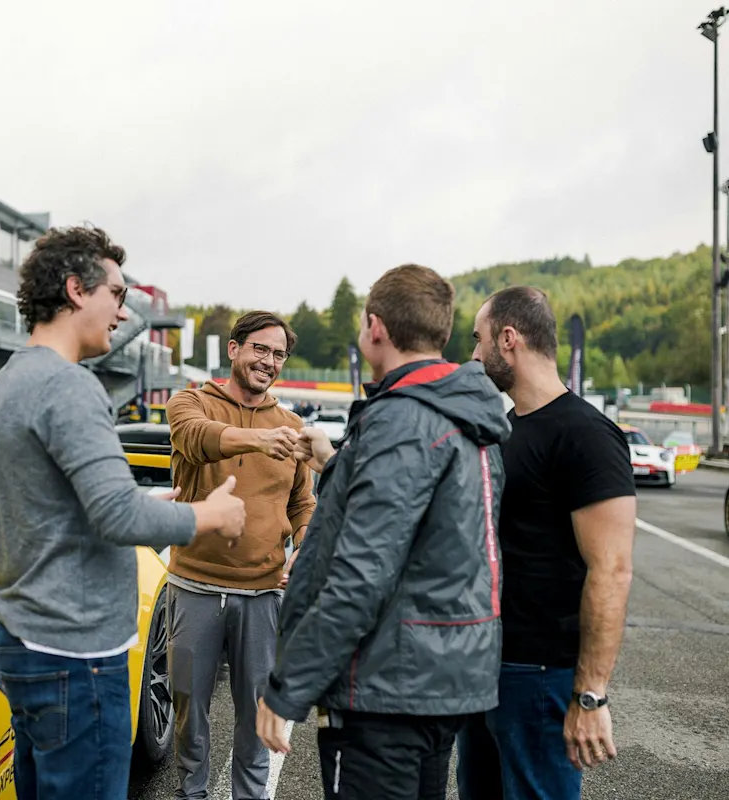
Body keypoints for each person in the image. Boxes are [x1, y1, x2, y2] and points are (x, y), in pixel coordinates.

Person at [0, 225, 246, 800]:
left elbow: (49, 504)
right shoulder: (69, 387)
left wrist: (145, 503)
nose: (122, 313)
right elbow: (117, 519)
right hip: (74, 653)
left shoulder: (8, 381)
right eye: (117, 295)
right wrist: (210, 516)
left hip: (21, 638)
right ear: (76, 290)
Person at [255, 263, 511, 800]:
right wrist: (343, 461)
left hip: (388, 688)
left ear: (375, 327)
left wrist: (286, 689)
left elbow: (359, 575)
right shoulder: (462, 414)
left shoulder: (402, 420)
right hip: (442, 678)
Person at [456, 286, 636, 800]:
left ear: (507, 339)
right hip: (488, 665)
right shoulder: (505, 429)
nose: (473, 354)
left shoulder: (586, 434)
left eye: (478, 339)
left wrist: (591, 695)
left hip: (541, 677)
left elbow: (613, 569)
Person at [165, 310, 318, 800]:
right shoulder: (190, 402)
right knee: (189, 708)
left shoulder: (292, 425)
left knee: (255, 714)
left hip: (262, 594)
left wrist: (306, 545)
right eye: (260, 349)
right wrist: (259, 440)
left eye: (278, 354)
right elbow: (196, 439)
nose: (268, 361)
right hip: (193, 588)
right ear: (234, 349)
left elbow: (302, 504)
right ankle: (193, 792)